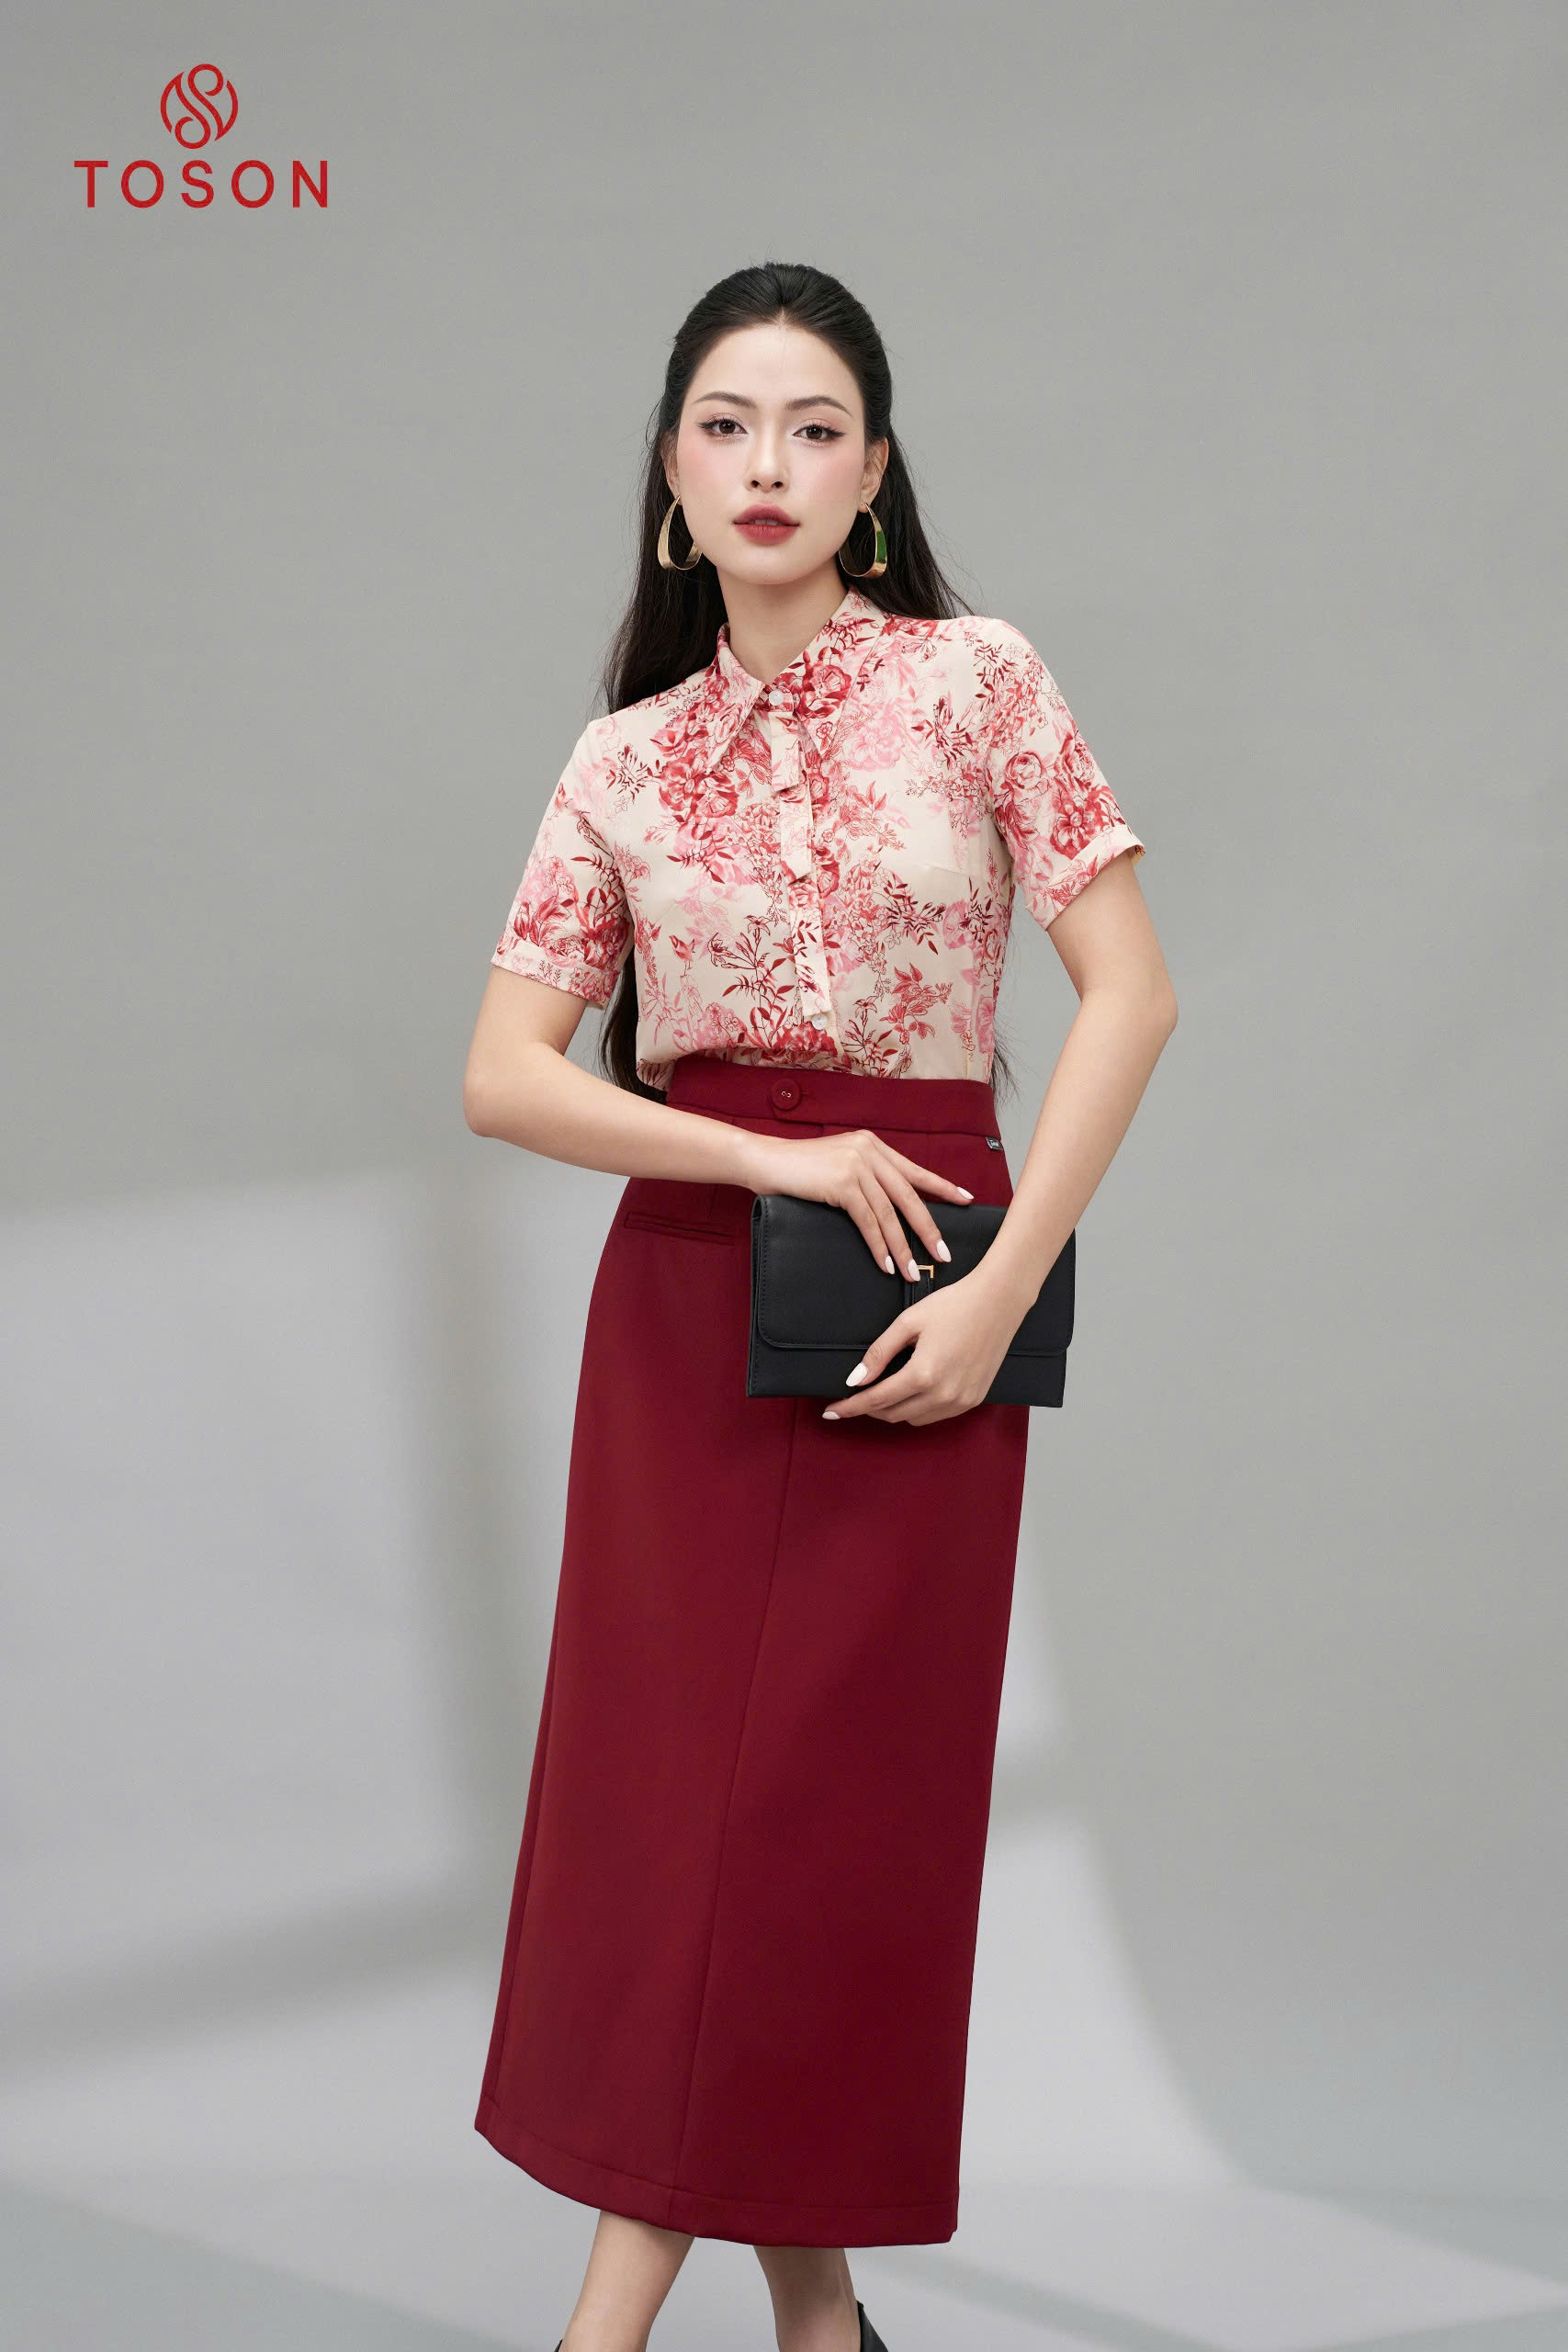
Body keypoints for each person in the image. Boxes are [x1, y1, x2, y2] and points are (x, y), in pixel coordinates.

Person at [462, 261, 1177, 2352]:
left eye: (812, 428)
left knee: (817, 1835)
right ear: (670, 480)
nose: (765, 463)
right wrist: (767, 1157)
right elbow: (504, 1076)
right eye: (724, 426)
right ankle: (812, 2329)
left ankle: (614, 2334)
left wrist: (1000, 1293)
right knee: (680, 1830)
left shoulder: (976, 680)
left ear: (873, 477)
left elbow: (1130, 995)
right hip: (688, 1317)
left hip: (920, 1311)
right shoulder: (622, 756)